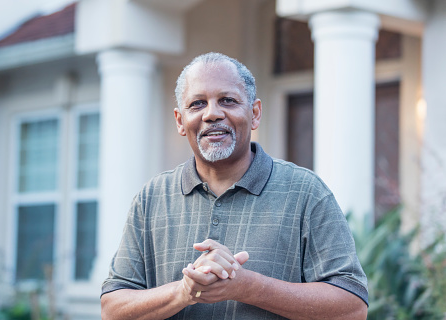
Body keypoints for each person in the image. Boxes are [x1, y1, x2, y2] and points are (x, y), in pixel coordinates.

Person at [100, 52, 368, 319]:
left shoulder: (306, 192)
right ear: (180, 121)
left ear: (254, 113)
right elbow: (112, 310)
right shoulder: (151, 199)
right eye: (197, 104)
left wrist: (249, 287)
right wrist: (183, 292)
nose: (212, 114)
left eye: (227, 100)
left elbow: (353, 308)